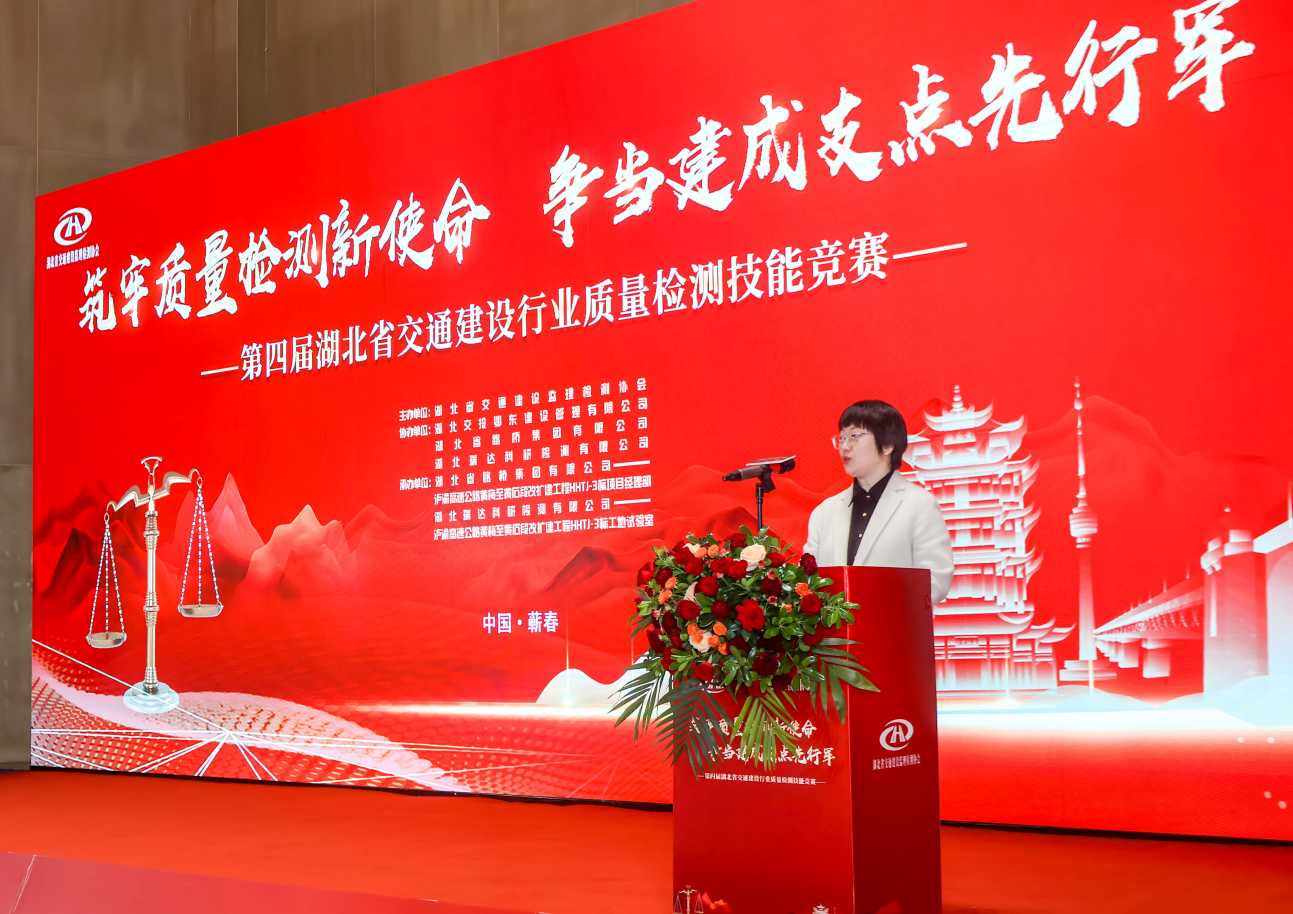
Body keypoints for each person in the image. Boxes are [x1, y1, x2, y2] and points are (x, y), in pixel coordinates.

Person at [804, 399, 953, 604]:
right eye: (841, 438)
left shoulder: (919, 504)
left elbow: (936, 580)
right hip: (836, 626)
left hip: (895, 623)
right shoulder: (824, 512)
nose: (845, 446)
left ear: (887, 445)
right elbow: (809, 581)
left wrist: (879, 605)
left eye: (854, 436)